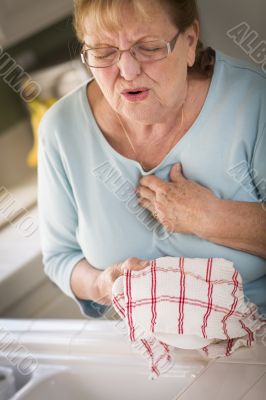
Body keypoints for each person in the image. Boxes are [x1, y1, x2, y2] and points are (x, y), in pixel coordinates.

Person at [38, 0, 266, 319]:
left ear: (188, 43)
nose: (128, 71)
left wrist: (211, 218)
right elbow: (61, 258)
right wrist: (103, 284)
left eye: (148, 47)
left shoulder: (253, 100)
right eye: (103, 52)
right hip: (144, 351)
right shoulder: (61, 129)